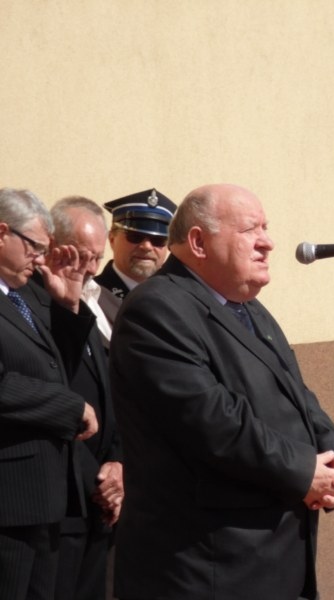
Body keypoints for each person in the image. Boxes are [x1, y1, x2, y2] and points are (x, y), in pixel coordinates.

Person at [109, 183, 334, 599]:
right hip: (206, 568)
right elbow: (214, 422)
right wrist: (304, 471)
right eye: (249, 230)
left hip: (272, 560)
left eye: (265, 228)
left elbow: (298, 395)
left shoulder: (249, 309)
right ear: (198, 242)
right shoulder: (157, 308)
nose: (267, 242)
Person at [0, 187, 99, 600]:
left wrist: (67, 306)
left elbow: (58, 371)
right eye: (34, 247)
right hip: (9, 501)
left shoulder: (25, 296)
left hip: (44, 498)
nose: (40, 259)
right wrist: (71, 407)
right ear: (2, 233)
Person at [47, 197, 123, 600]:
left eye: (97, 257)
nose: (91, 268)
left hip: (99, 502)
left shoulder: (90, 303)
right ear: (53, 245)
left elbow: (112, 395)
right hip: (63, 497)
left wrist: (118, 463)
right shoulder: (34, 306)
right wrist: (97, 478)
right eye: (82, 256)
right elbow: (52, 395)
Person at [94, 188, 176, 327]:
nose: (147, 246)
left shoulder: (177, 298)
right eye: (135, 237)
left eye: (158, 240)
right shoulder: (91, 297)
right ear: (112, 239)